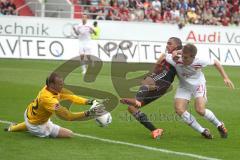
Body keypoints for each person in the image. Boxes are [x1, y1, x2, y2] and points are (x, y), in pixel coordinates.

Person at [164, 43, 235, 139]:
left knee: (200, 110)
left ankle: (219, 125)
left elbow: (216, 62)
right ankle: (203, 131)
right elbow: (163, 56)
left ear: (193, 57)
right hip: (184, 86)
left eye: (186, 58)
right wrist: (174, 52)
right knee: (179, 110)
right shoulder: (176, 59)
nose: (183, 59)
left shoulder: (200, 60)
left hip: (198, 85)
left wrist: (225, 78)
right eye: (182, 56)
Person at [4, 72, 105, 138]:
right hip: (38, 126)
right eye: (60, 83)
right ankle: (24, 128)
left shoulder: (51, 88)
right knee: (69, 134)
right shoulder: (48, 99)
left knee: (31, 122)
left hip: (29, 114)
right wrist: (89, 113)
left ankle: (12, 128)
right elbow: (68, 116)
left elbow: (72, 97)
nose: (62, 85)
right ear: (52, 85)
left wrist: (90, 102)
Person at [120, 37, 182, 139]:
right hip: (158, 80)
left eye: (170, 43)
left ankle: (137, 100)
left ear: (177, 46)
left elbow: (186, 56)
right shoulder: (166, 54)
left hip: (164, 80)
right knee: (132, 108)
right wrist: (152, 72)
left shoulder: (179, 54)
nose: (167, 45)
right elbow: (157, 65)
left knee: (146, 84)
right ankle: (155, 130)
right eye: (167, 43)